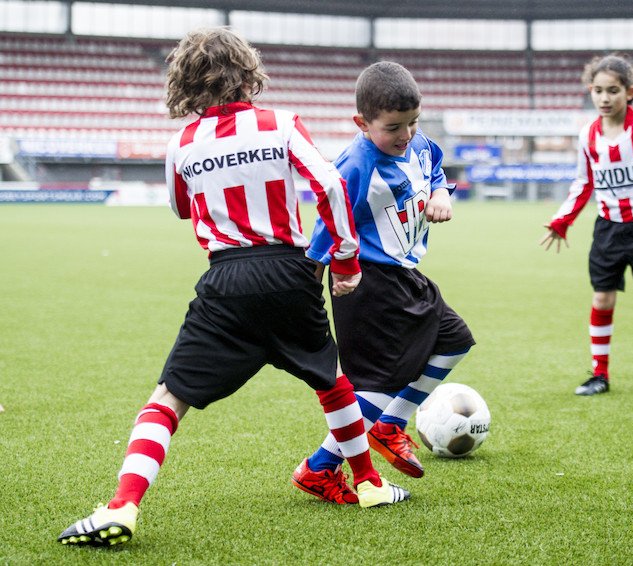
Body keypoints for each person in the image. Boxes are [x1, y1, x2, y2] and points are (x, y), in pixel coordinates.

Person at [57, 28, 409, 548]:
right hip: (290, 272)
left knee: (167, 399)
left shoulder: (181, 143)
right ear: (248, 73)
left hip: (226, 276)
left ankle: (123, 506)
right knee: (332, 381)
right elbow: (330, 185)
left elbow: (180, 207)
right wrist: (345, 259)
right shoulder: (281, 123)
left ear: (187, 84)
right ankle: (371, 484)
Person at [290, 61, 475, 503]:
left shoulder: (418, 143)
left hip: (405, 275)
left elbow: (433, 165)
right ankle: (319, 468)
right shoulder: (355, 166)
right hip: (365, 283)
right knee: (377, 384)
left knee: (455, 339)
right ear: (362, 123)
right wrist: (309, 291)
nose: (406, 134)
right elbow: (326, 228)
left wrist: (440, 193)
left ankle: (390, 426)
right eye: (393, 127)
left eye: (413, 122)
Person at [540, 54, 633, 396]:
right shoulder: (587, 135)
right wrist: (563, 220)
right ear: (590, 92)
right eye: (598, 91)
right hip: (608, 228)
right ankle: (600, 375)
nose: (604, 98)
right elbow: (584, 182)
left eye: (613, 90)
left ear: (630, 91)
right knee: (602, 299)